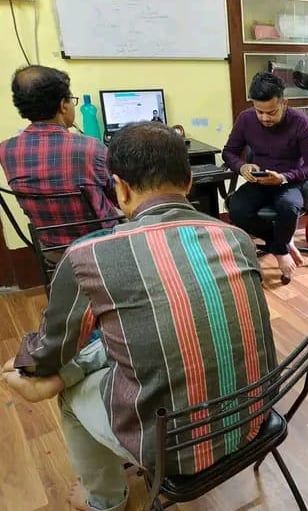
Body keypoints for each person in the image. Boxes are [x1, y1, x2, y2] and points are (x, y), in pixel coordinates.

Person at [0, 122, 277, 511]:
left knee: (70, 395)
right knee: (129, 335)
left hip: (175, 449)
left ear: (121, 188)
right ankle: (70, 379)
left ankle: (105, 501)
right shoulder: (237, 238)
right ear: (187, 181)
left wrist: (25, 366)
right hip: (254, 417)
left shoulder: (88, 256)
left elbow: (50, 350)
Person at [0, 65, 118, 247]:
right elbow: (121, 197)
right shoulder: (91, 148)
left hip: (52, 250)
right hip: (101, 246)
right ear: (63, 105)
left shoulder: (5, 150)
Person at [223, 71, 308, 280]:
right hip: (259, 181)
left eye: (271, 112)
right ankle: (282, 244)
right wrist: (242, 167)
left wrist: (283, 177)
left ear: (284, 103)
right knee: (237, 208)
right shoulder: (246, 119)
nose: (264, 118)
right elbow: (229, 153)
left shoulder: (301, 122)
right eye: (259, 111)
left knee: (288, 207)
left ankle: (281, 246)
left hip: (289, 182)